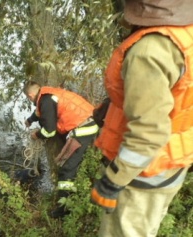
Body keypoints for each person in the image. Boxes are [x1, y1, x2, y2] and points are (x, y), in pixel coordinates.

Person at [90, 0, 193, 236]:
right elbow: (180, 95)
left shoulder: (149, 52)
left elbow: (148, 133)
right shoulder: (186, 34)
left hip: (141, 177)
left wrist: (115, 179)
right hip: (170, 163)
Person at [23, 81, 99, 218]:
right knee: (72, 166)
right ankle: (76, 194)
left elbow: (49, 132)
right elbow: (40, 111)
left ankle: (64, 209)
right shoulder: (48, 94)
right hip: (89, 121)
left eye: (29, 99)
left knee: (66, 170)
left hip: (84, 130)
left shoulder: (45, 101)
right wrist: (30, 120)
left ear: (30, 95)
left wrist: (36, 134)